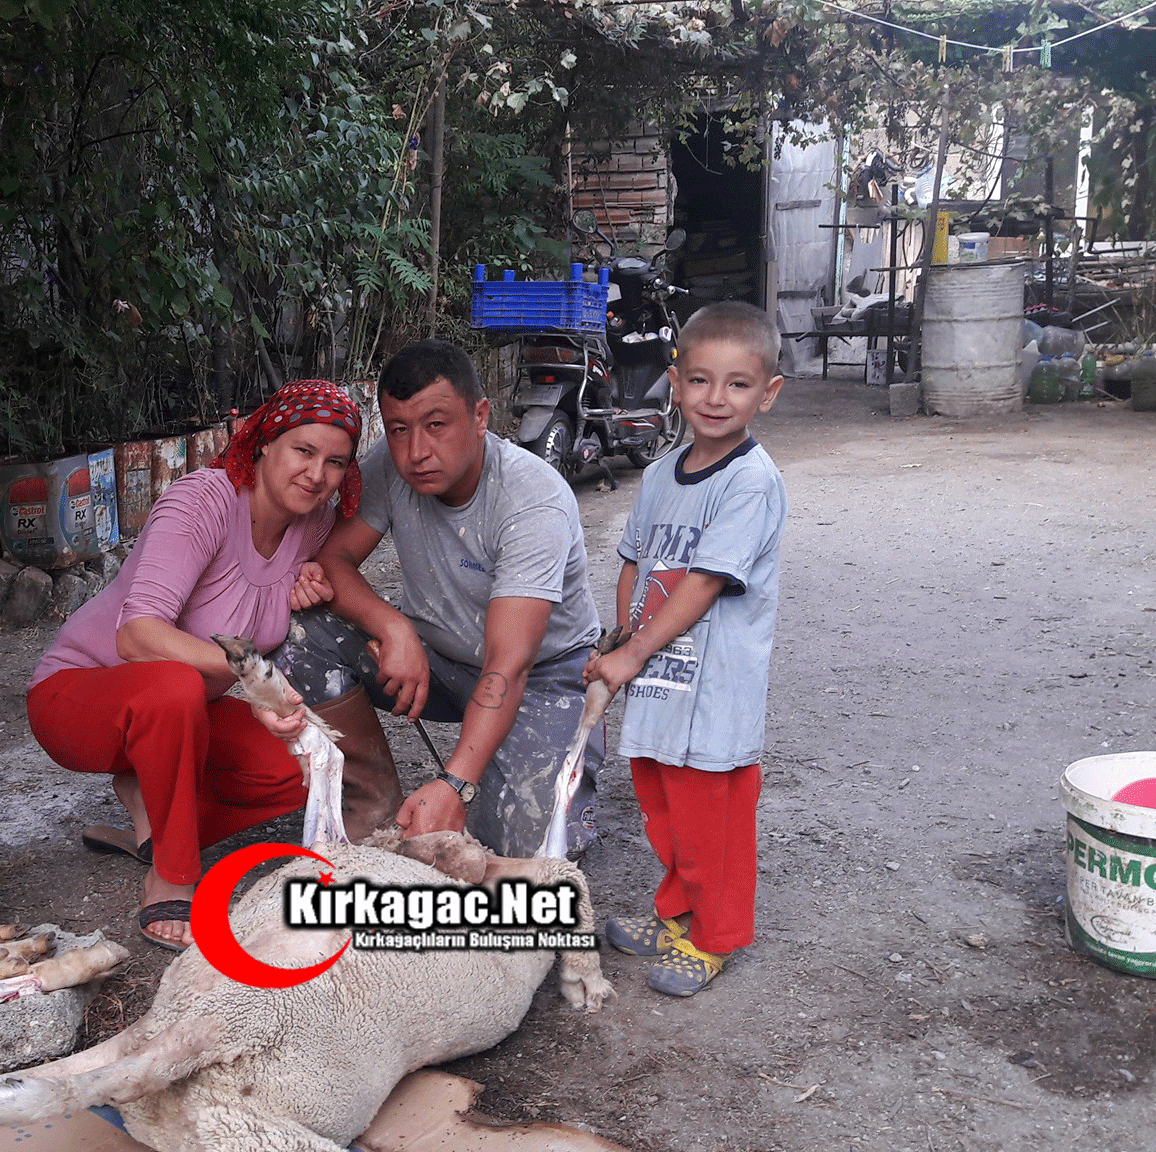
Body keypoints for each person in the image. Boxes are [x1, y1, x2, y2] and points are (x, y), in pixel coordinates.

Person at [25, 381, 363, 951]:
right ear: (264, 442)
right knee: (175, 685)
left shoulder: (314, 524)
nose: (316, 474)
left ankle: (154, 817)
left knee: (297, 765)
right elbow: (137, 634)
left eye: (335, 462)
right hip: (78, 697)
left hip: (179, 714)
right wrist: (257, 679)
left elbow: (298, 580)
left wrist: (313, 580)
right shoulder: (203, 501)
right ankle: (173, 875)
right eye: (303, 451)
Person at [275, 339, 603, 858]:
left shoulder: (531, 499)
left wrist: (456, 783)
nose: (416, 452)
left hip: (542, 677)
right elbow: (332, 561)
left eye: (436, 424)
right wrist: (395, 628)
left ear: (480, 416)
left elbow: (510, 663)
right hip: (440, 662)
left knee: (523, 850)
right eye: (399, 429)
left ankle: (513, 780)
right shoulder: (391, 466)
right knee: (297, 630)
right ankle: (371, 800)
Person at [583, 300, 788, 997]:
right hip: (659, 679)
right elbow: (634, 564)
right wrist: (619, 642)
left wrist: (632, 654)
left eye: (738, 383)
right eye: (700, 380)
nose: (716, 398)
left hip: (714, 691)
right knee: (664, 809)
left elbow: (702, 582)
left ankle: (714, 936)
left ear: (767, 393)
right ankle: (676, 913)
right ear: (675, 384)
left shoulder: (750, 482)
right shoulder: (660, 474)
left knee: (712, 823)